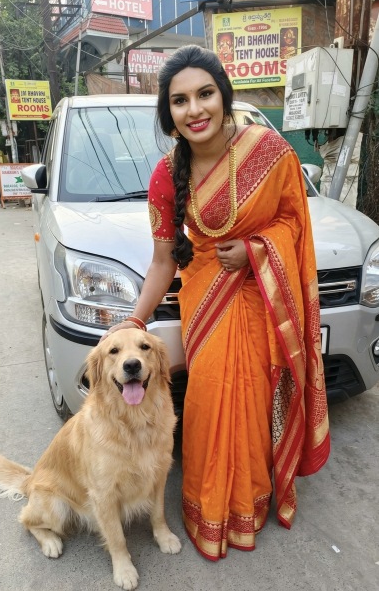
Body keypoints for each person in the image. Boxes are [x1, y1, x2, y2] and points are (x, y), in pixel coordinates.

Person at [101, 45, 330, 560]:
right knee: (209, 405)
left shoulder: (269, 152)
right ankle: (209, 509)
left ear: (224, 96)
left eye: (205, 94)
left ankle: (248, 502)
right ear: (169, 113)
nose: (195, 109)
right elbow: (163, 261)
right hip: (206, 300)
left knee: (252, 403)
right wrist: (133, 320)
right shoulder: (166, 175)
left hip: (261, 300)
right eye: (179, 101)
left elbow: (295, 225)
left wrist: (255, 249)